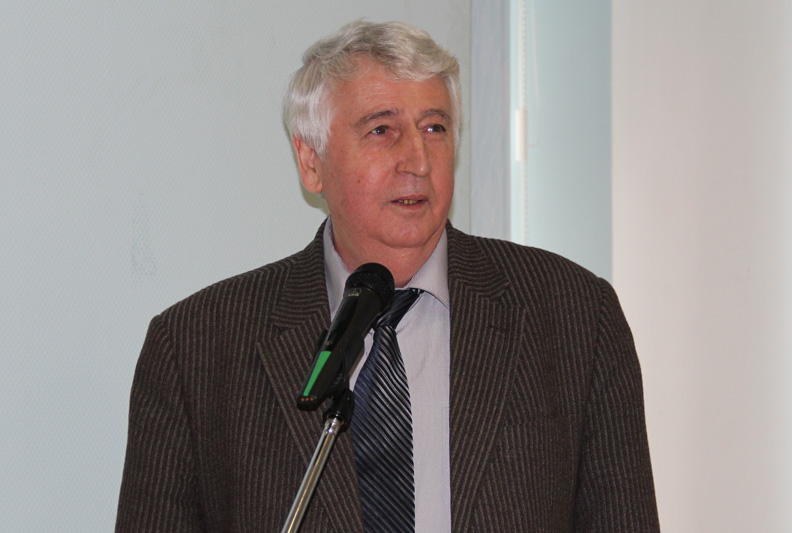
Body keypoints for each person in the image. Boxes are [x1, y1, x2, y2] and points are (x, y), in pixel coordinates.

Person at [116, 20, 659, 532]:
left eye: (435, 128)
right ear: (311, 162)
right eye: (383, 130)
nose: (418, 160)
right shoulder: (196, 346)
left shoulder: (575, 316)